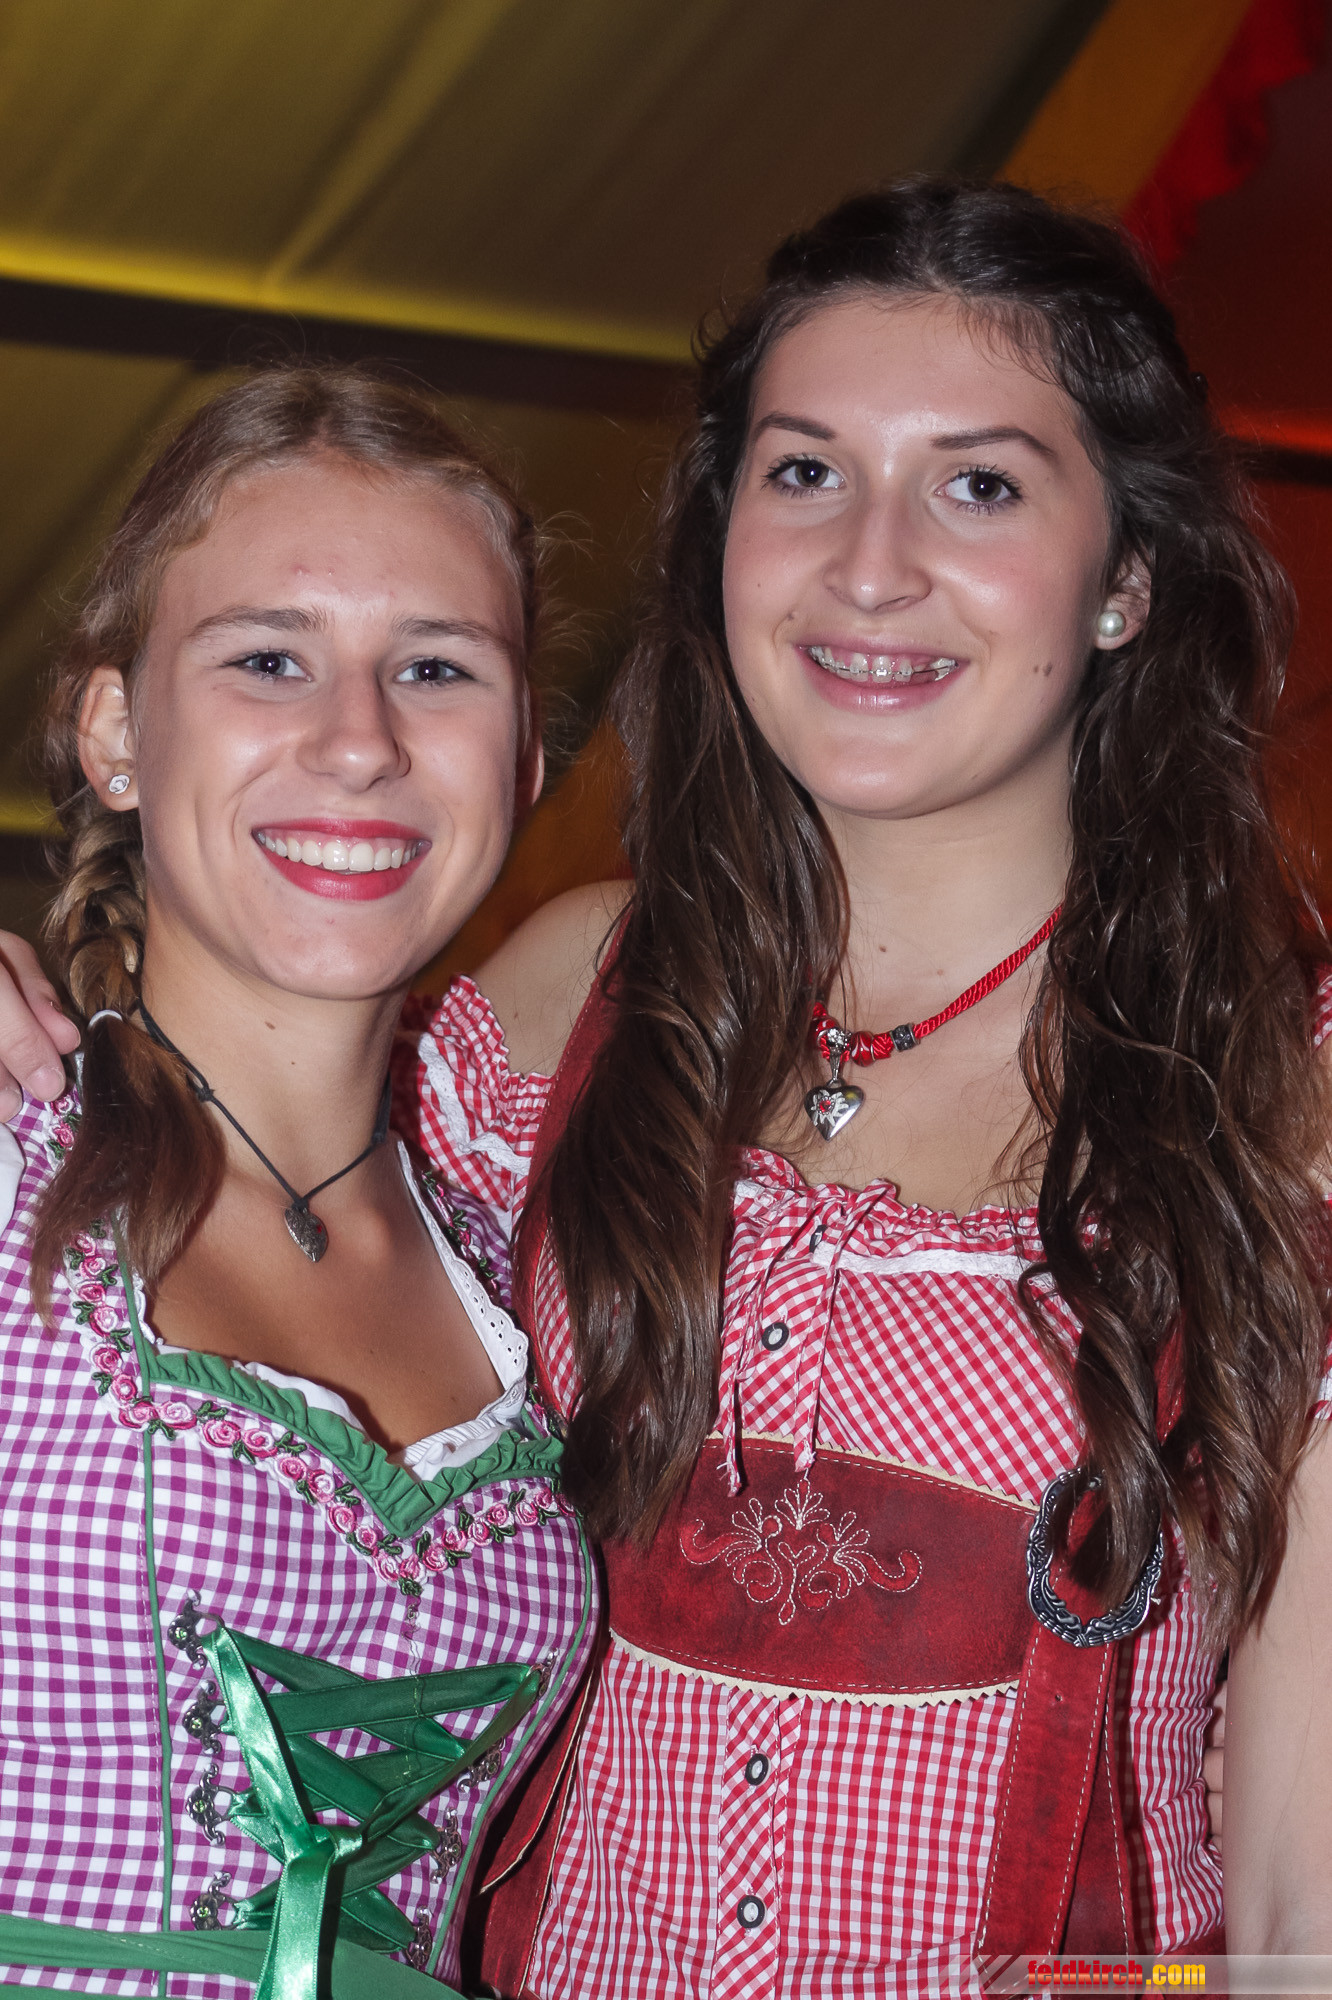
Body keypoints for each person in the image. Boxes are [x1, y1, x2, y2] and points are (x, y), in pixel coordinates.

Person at [1, 181, 1328, 1992]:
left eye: (980, 486)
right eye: (806, 472)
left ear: (1128, 582)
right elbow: (248, 1098)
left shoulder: (1288, 1090)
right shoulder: (572, 1000)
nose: (870, 564)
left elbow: (1306, 1907)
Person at [0, 368, 598, 1996]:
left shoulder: (523, 1262)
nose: (360, 740)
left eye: (437, 668)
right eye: (270, 658)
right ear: (116, 733)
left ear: (523, 763)